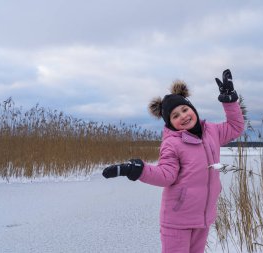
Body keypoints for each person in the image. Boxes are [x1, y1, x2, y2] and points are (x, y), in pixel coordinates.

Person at [102, 69, 245, 253]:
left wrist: (230, 101)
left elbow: (235, 126)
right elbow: (166, 175)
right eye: (175, 116)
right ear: (169, 123)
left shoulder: (212, 131)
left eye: (185, 109)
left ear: (192, 108)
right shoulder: (172, 144)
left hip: (202, 219)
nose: (183, 116)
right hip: (177, 221)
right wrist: (138, 170)